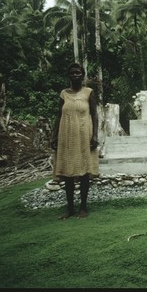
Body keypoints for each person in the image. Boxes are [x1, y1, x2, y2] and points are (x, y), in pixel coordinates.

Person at [51, 62, 99, 219]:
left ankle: (83, 207)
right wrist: (54, 135)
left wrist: (95, 135)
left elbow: (94, 114)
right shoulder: (64, 94)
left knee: (84, 170)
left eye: (78, 72)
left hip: (84, 135)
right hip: (66, 136)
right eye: (72, 73)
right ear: (68, 75)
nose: (75, 75)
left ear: (82, 74)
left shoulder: (88, 92)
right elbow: (59, 115)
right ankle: (70, 208)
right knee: (67, 172)